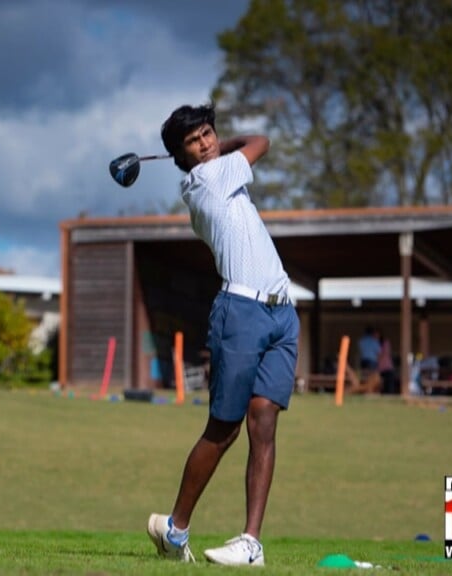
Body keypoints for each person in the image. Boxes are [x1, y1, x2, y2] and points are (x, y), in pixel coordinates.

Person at [146, 104, 299, 566]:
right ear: (183, 157)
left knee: (264, 422)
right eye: (193, 142)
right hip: (241, 312)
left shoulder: (219, 172)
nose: (205, 144)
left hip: (282, 312)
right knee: (225, 427)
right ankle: (175, 529)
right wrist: (223, 147)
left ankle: (251, 542)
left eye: (208, 134)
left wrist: (215, 146)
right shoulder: (207, 179)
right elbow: (261, 142)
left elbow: (249, 147)